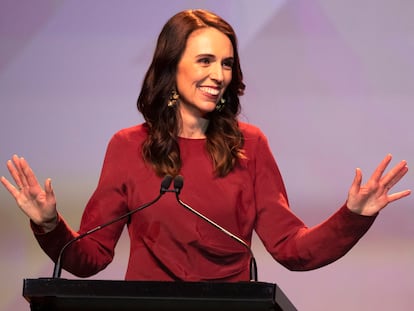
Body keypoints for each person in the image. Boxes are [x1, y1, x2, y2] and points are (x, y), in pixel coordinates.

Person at [0, 9, 410, 282]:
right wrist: (50, 225)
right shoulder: (128, 147)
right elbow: (89, 259)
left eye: (227, 63)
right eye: (205, 61)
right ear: (171, 65)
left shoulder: (250, 146)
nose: (220, 74)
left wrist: (352, 216)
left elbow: (291, 249)